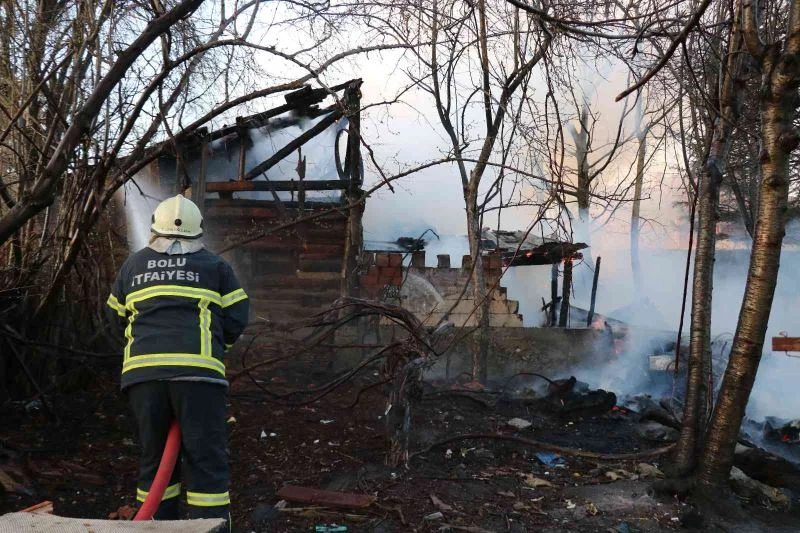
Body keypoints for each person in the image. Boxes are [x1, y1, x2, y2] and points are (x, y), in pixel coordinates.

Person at [106, 194, 249, 528]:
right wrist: (216, 348)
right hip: (199, 379)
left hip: (143, 379)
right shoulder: (215, 267)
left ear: (155, 228)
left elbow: (113, 320)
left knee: (154, 464)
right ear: (199, 230)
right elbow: (238, 316)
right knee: (205, 463)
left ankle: (155, 527)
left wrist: (139, 350)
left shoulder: (133, 265)